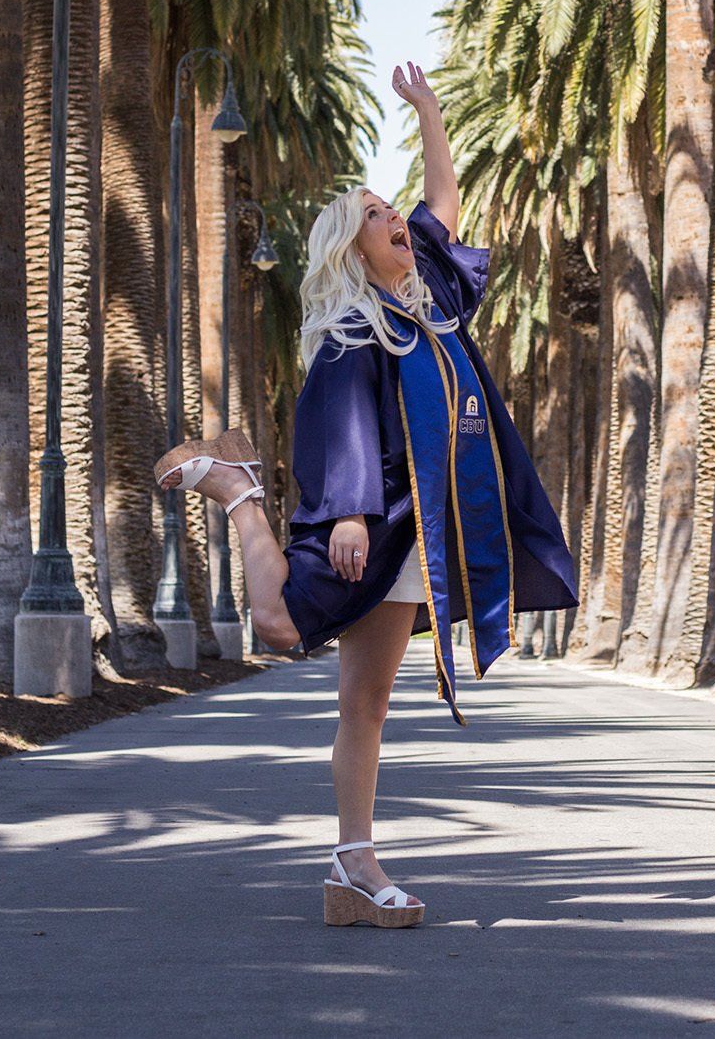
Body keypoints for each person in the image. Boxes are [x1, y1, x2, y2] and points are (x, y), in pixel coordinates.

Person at [154, 61, 578, 927]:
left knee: (367, 702)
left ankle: (353, 865)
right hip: (375, 520)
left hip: (422, 532)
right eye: (379, 219)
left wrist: (428, 112)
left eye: (396, 215)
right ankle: (239, 493)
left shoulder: (434, 309)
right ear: (352, 248)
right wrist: (345, 509)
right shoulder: (356, 331)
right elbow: (338, 422)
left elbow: (445, 208)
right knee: (279, 625)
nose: (401, 224)